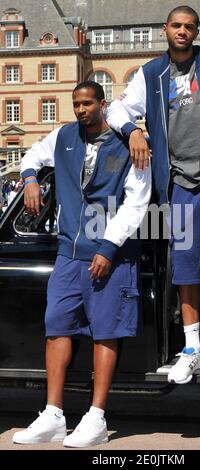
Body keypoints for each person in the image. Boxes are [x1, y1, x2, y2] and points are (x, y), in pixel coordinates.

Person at [107, 5, 200, 384]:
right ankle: (193, 347)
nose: (183, 31)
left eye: (189, 26)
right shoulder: (152, 73)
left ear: (196, 31)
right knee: (187, 261)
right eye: (176, 26)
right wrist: (133, 131)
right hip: (180, 180)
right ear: (164, 30)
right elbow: (116, 108)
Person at [12, 81, 151, 448]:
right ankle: (54, 414)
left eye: (87, 103)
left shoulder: (129, 145)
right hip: (68, 254)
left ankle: (96, 417)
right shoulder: (63, 136)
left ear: (103, 104)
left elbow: (137, 203)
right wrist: (29, 180)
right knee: (56, 327)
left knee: (105, 332)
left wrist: (107, 247)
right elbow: (31, 156)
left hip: (111, 253)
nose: (81, 109)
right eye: (76, 104)